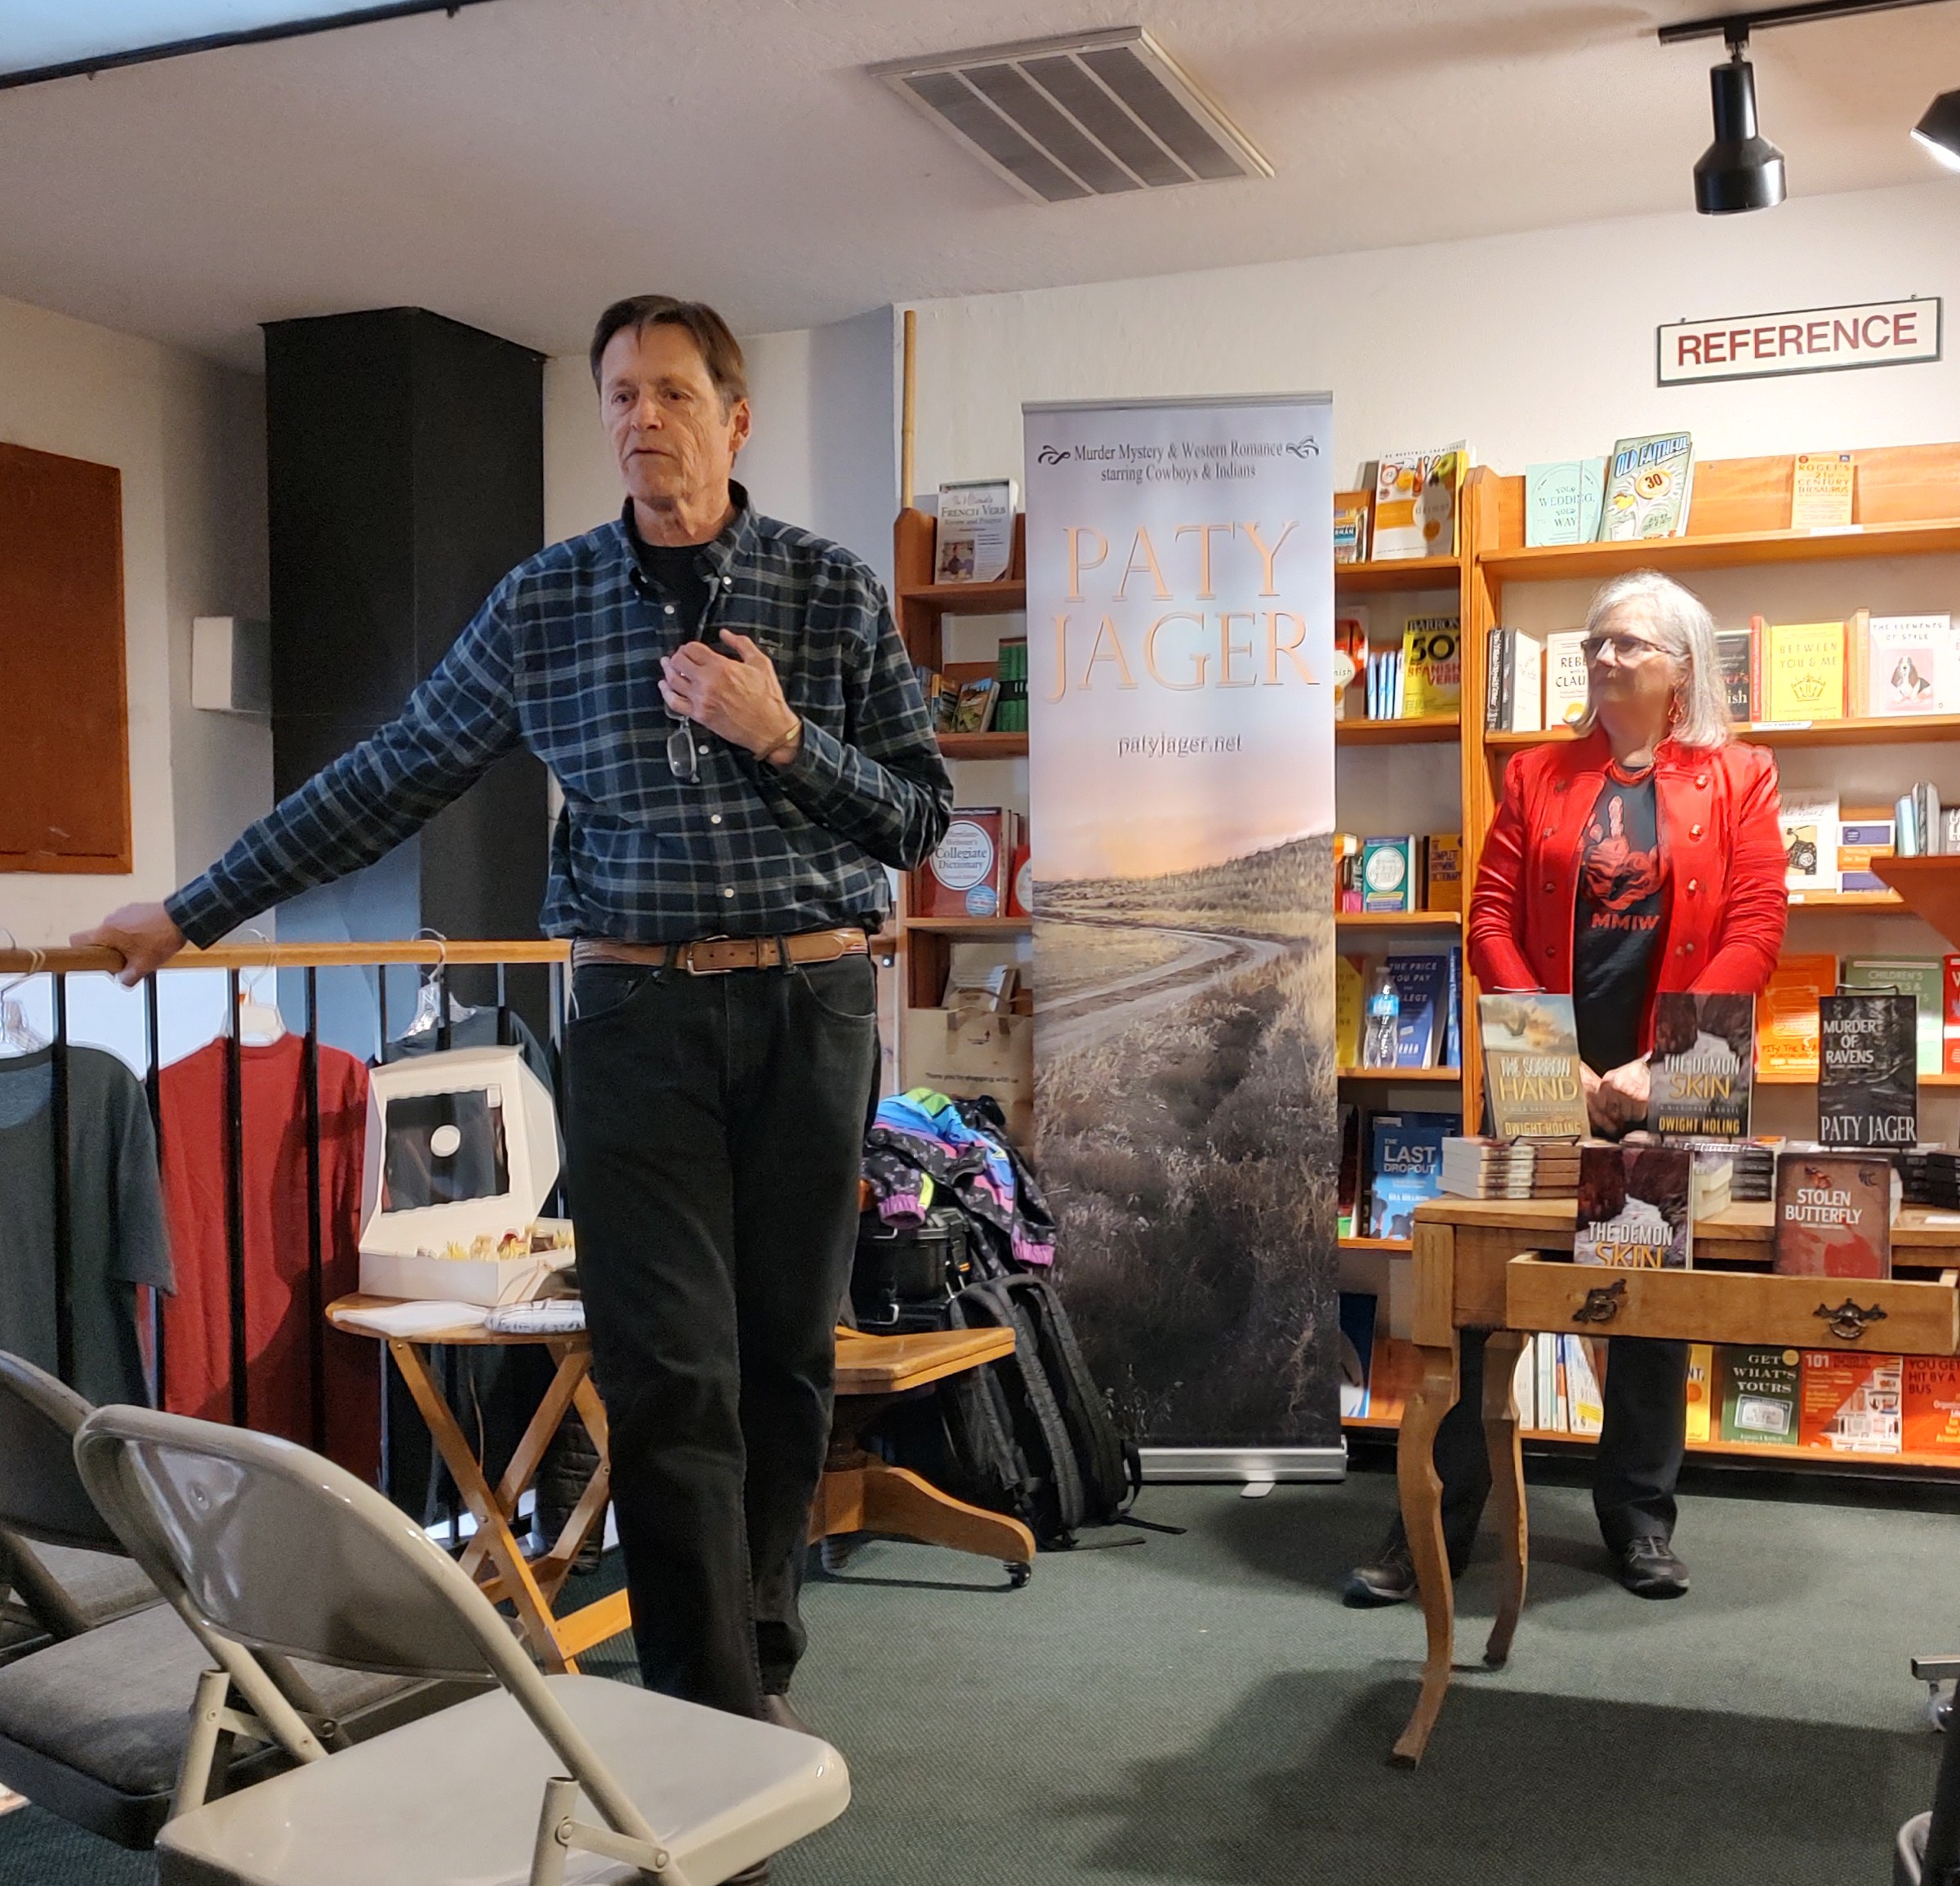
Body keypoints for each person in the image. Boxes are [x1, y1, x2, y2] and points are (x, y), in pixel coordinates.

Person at [75, 296, 952, 1767]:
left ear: (735, 418)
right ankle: (707, 1713)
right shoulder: (546, 602)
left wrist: (782, 735)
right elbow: (392, 771)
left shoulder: (832, 589)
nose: (642, 417)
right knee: (669, 1372)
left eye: (673, 392)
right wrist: (195, 908)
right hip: (632, 1014)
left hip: (812, 1004)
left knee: (786, 1362)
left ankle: (758, 1656)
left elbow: (923, 818)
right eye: (620, 393)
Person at [1347, 568, 1786, 1606]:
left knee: (1649, 1301)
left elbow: (1757, 925)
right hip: (1542, 1068)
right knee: (1476, 1298)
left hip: (1677, 1072)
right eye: (1594, 642)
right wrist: (1557, 1060)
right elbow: (1490, 918)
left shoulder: (1741, 776)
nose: (1602, 657)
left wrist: (1661, 1061)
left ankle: (1639, 1521)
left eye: (1626, 642)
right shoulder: (1536, 774)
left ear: (1681, 666)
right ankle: (1432, 1522)